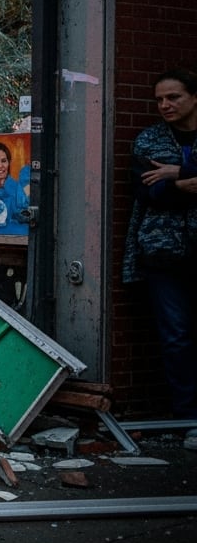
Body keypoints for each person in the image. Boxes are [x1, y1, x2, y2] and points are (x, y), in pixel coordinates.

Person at [122, 68, 197, 450]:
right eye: (159, 99)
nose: (164, 105)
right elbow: (150, 193)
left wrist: (178, 172)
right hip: (163, 251)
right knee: (176, 337)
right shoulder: (149, 140)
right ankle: (189, 418)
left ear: (194, 97)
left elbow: (169, 186)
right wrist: (185, 183)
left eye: (173, 97)